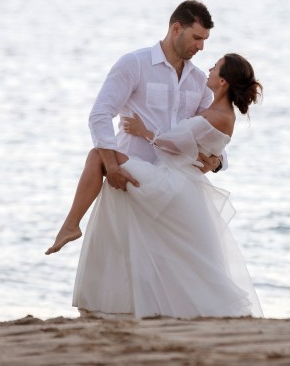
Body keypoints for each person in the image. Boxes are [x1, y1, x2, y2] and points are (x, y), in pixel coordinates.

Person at [73, 53, 263, 318]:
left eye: (215, 66)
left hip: (173, 181)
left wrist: (145, 132)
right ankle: (130, 301)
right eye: (198, 39)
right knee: (166, 250)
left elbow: (177, 145)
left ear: (223, 81)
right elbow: (200, 146)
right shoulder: (213, 110)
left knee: (99, 155)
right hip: (175, 178)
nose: (208, 65)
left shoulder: (217, 112)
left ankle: (72, 226)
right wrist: (210, 156)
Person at [45, 0, 223, 255]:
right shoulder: (134, 64)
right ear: (176, 29)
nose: (201, 47)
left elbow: (210, 130)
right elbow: (100, 114)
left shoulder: (198, 80)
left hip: (175, 186)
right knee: (127, 267)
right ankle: (72, 225)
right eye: (196, 37)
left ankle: (71, 223)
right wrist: (113, 165)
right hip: (132, 182)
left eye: (205, 39)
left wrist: (217, 161)